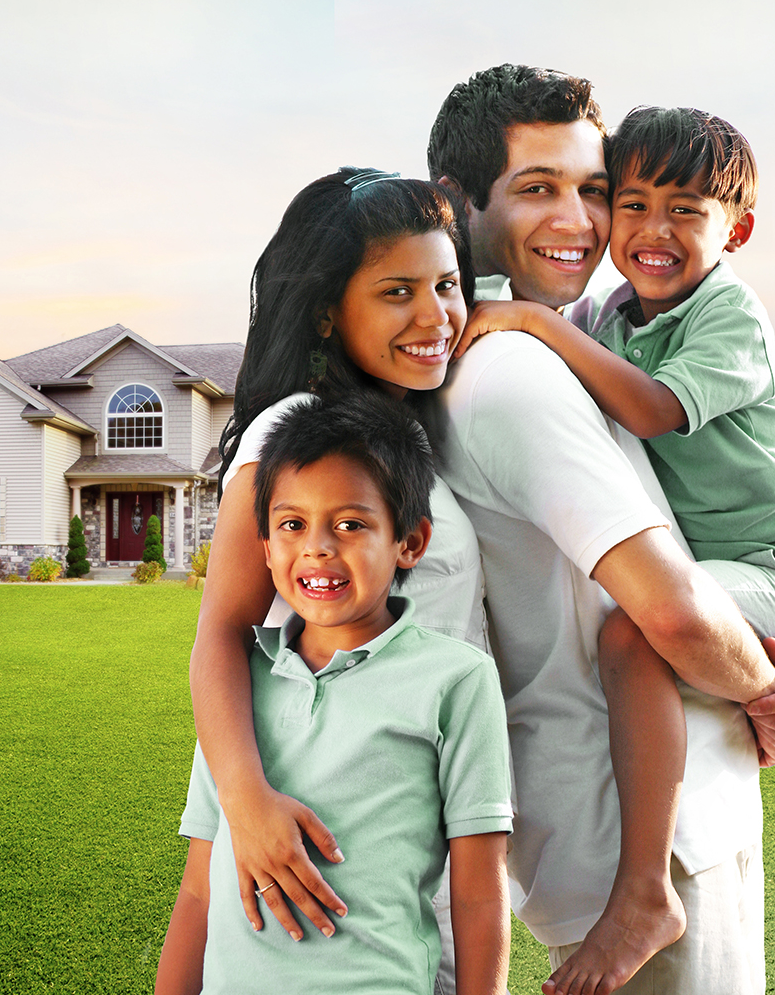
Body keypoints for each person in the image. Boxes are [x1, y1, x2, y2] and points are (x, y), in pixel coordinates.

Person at [427, 63, 775, 995]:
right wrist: (773, 679)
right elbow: (674, 620)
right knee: (637, 634)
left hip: (699, 793)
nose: (592, 222)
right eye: (538, 189)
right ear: (457, 202)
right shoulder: (518, 363)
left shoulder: (582, 330)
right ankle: (644, 895)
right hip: (644, 847)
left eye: (591, 189)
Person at [184, 168, 494, 989]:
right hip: (324, 820)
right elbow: (222, 631)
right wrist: (246, 806)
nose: (436, 316)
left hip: (410, 820)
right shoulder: (294, 432)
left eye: (447, 284)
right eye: (398, 291)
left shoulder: (403, 428)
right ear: (328, 310)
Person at [154, 394, 512, 995]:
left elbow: (478, 894)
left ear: (410, 542)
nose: (317, 547)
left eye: (350, 524)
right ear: (265, 546)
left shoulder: (457, 679)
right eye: (292, 525)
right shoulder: (237, 690)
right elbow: (196, 890)